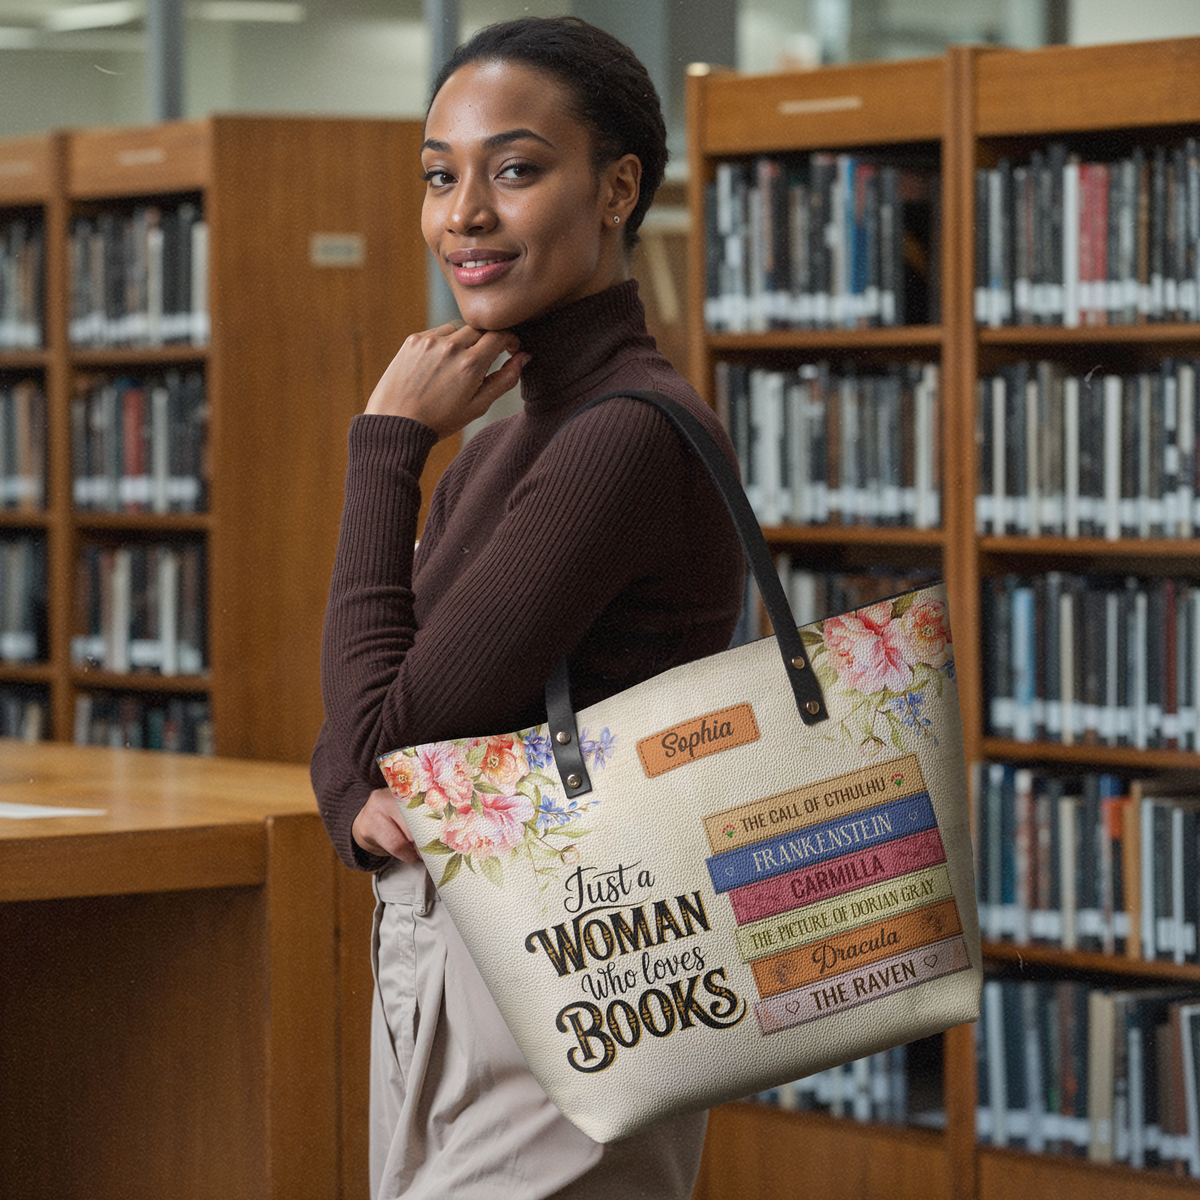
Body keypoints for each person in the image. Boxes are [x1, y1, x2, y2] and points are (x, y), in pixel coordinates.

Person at [311, 16, 745, 1199]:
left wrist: (386, 446)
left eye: (513, 169)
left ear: (616, 189)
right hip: (461, 957)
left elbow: (391, 738)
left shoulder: (620, 440)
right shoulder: (509, 448)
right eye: (440, 177)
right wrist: (354, 786)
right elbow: (353, 745)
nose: (465, 215)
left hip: (577, 967)